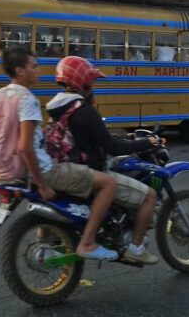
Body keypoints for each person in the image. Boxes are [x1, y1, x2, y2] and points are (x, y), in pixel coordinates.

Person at [0, 47, 119, 261]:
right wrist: (42, 184)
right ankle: (87, 243)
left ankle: (50, 240)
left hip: (2, 170)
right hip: (38, 169)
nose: (39, 71)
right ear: (20, 71)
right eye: (34, 66)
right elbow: (25, 147)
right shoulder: (26, 99)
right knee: (108, 184)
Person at [46, 56, 161, 265]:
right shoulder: (85, 111)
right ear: (83, 82)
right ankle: (135, 248)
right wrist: (145, 143)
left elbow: (94, 139)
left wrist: (126, 139)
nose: (93, 87)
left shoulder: (56, 108)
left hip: (67, 169)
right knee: (149, 197)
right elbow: (112, 148)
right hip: (91, 173)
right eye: (91, 82)